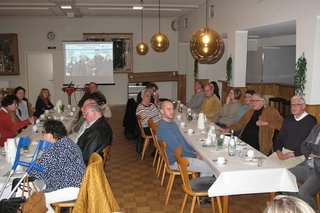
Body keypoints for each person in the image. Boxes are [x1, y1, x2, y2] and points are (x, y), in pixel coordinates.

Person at [29, 120, 86, 213]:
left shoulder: (52, 151)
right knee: (39, 189)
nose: (43, 135)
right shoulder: (68, 142)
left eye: (44, 132)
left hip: (70, 188)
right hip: (82, 183)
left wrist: (27, 167)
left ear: (51, 135)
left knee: (35, 200)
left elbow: (37, 174)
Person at [157, 100, 215, 177]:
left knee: (207, 159)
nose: (172, 111)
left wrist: (193, 151)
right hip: (177, 161)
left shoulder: (172, 123)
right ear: (162, 111)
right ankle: (201, 186)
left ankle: (203, 182)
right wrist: (194, 155)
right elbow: (178, 149)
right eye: (168, 109)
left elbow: (182, 141)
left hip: (180, 156)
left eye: (172, 108)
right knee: (211, 167)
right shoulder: (165, 128)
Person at [269, 96, 317, 168]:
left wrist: (291, 154)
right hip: (283, 151)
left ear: (303, 106)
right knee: (266, 164)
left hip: (299, 155)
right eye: (292, 105)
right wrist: (278, 151)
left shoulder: (311, 121)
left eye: (296, 105)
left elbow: (310, 144)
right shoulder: (288, 119)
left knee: (283, 170)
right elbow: (280, 138)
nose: (293, 107)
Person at [288, 124, 320, 210]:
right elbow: (303, 146)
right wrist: (311, 149)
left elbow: (310, 146)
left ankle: (312, 211)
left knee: (303, 193)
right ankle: (296, 208)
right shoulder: (317, 127)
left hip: (318, 173)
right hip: (306, 165)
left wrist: (311, 146)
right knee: (285, 176)